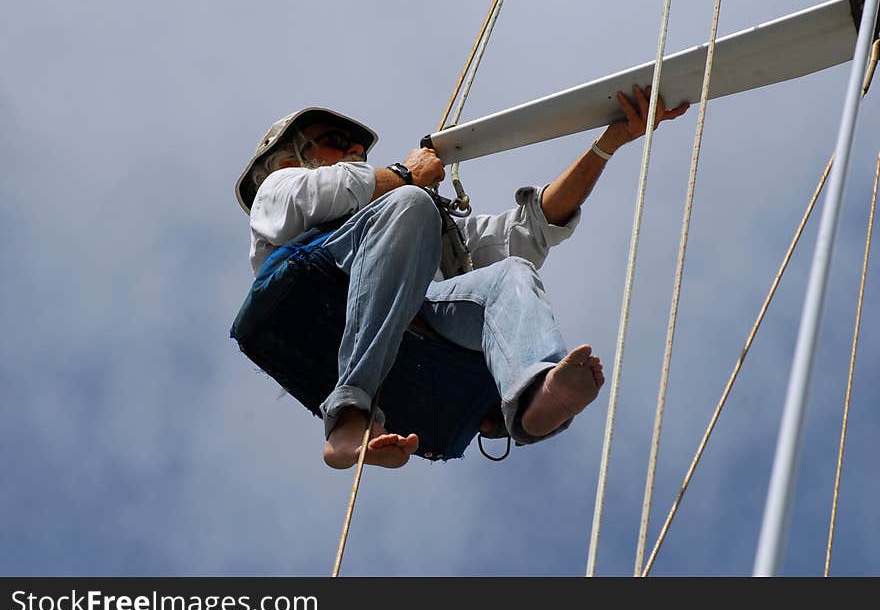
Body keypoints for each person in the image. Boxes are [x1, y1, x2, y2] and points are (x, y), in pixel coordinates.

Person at [234, 85, 688, 470]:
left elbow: (529, 230)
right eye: (336, 140)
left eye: (360, 149)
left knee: (512, 272)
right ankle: (350, 413)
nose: (355, 151)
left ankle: (533, 395)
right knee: (408, 206)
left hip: (418, 310)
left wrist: (608, 143)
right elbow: (332, 192)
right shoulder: (278, 190)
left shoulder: (409, 215)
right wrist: (405, 176)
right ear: (287, 159)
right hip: (325, 289)